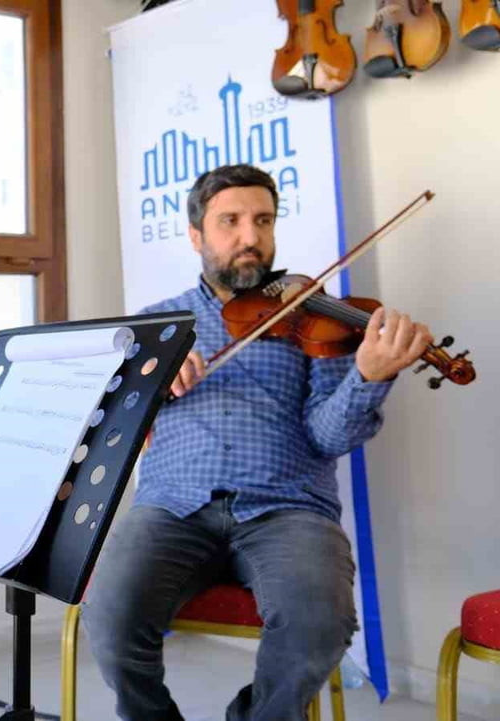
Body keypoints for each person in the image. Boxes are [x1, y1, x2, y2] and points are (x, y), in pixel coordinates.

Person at [82, 164, 432, 720]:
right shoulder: (154, 325)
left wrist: (367, 377)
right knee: (109, 617)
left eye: (263, 221)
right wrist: (148, 389)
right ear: (197, 235)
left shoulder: (311, 315)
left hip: (287, 508)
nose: (251, 237)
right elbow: (109, 432)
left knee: (320, 621)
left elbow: (329, 435)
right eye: (231, 222)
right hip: (172, 506)